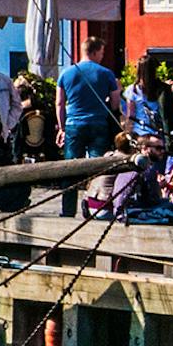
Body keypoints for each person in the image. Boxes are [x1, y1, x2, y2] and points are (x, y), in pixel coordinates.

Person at [57, 36, 123, 217]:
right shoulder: (106, 74)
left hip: (73, 125)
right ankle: (95, 206)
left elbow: (60, 103)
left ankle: (68, 209)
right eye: (101, 53)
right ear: (94, 52)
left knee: (70, 169)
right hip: (98, 124)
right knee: (98, 169)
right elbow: (115, 104)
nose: (102, 57)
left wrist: (62, 128)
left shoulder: (66, 73)